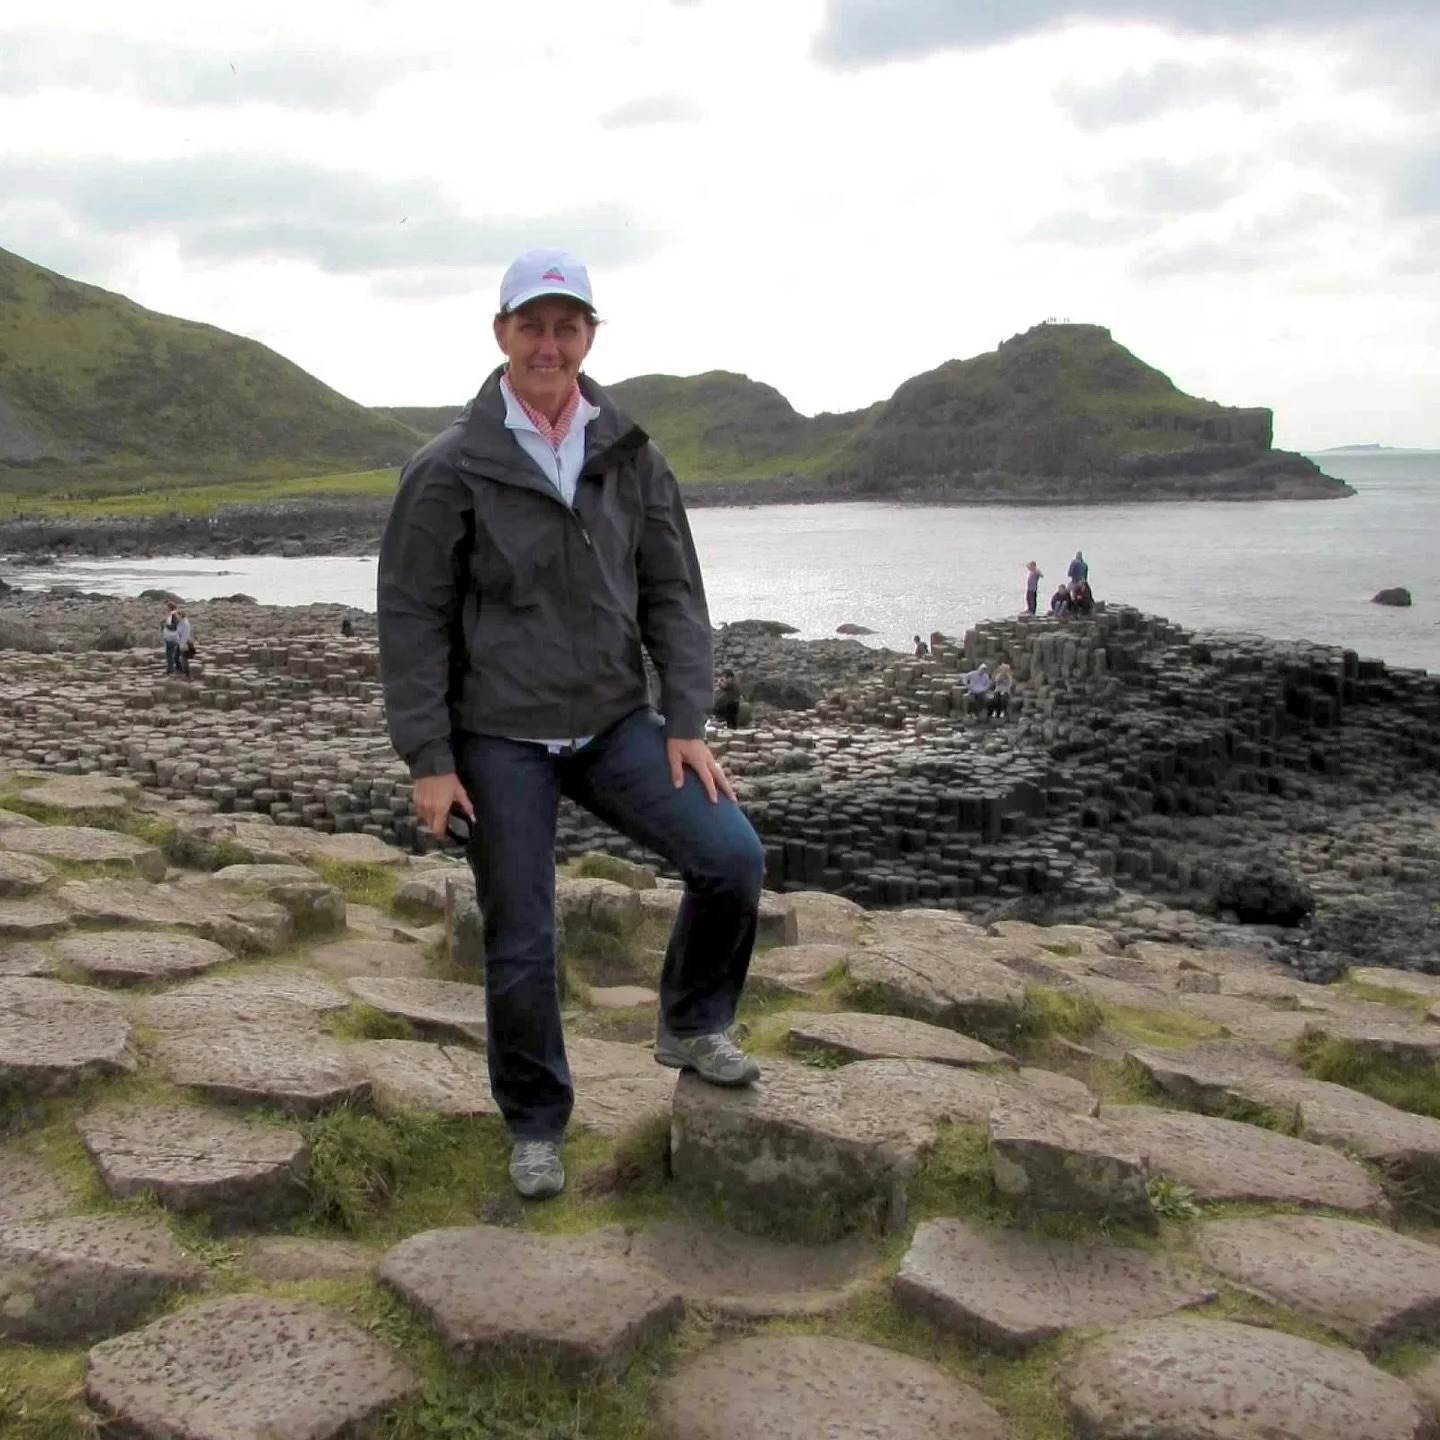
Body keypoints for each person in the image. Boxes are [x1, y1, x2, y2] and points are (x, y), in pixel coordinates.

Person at [377, 248, 764, 1203]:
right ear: (501, 333)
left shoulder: (632, 455)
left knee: (732, 857)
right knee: (522, 930)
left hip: (610, 720)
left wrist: (685, 719)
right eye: (531, 325)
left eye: (568, 326)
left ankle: (691, 1020)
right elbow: (411, 617)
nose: (550, 344)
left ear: (590, 336)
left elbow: (675, 592)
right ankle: (537, 1123)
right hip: (498, 734)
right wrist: (429, 758)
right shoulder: (448, 468)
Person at [161, 605, 181, 674]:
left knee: (170, 654)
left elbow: (174, 626)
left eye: (167, 607)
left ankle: (171, 669)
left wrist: (166, 625)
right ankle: (173, 668)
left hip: (172, 637)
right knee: (170, 654)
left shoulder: (173, 616)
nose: (166, 608)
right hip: (170, 637)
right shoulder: (171, 615)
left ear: (170, 608)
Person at [174, 610, 193, 680]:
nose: (176, 617)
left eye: (177, 616)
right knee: (176, 657)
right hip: (181, 642)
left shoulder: (184, 623)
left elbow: (179, 632)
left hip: (184, 643)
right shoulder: (182, 622)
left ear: (181, 615)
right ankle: (180, 671)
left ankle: (188, 676)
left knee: (184, 659)